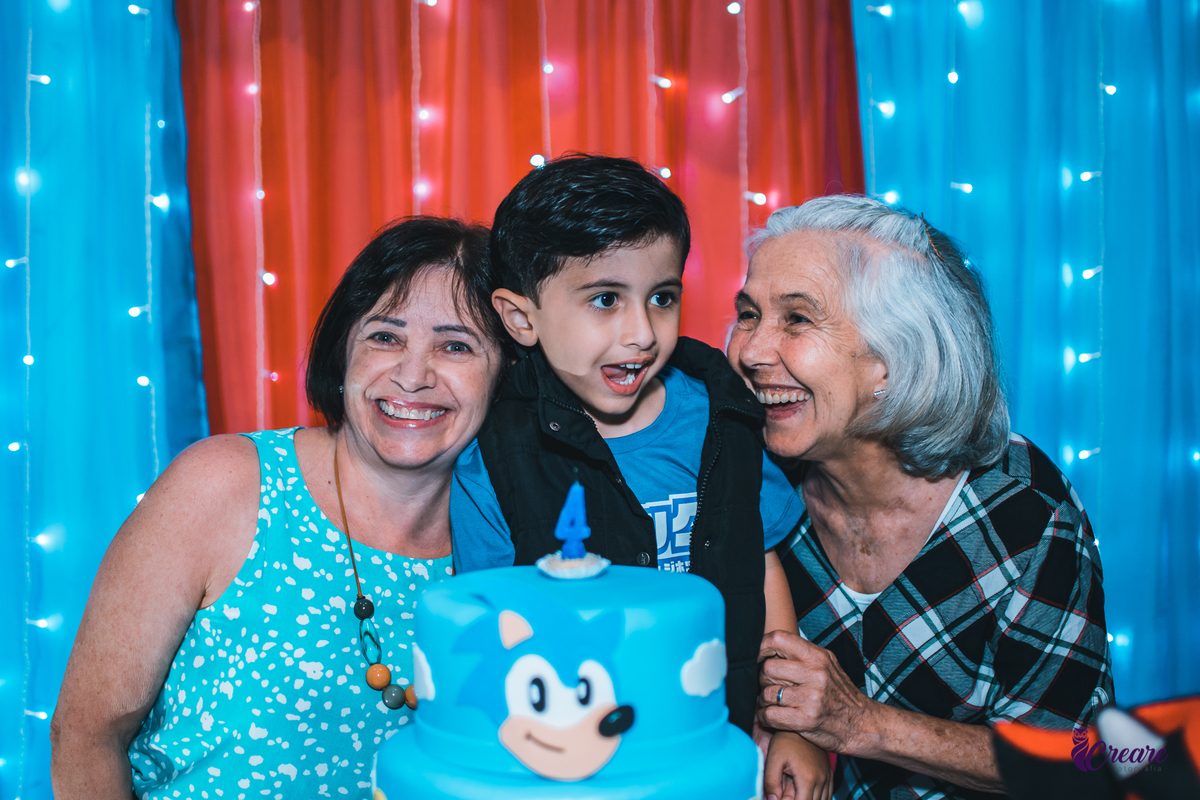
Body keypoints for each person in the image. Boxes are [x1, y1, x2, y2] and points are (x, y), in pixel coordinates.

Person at [51, 217, 508, 800]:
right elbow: (85, 736)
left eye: (456, 345)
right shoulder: (225, 484)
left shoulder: (512, 541)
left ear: (506, 375)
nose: (413, 376)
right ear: (343, 353)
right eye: (385, 337)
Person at [449, 153, 831, 796]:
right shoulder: (494, 453)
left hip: (720, 737)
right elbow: (496, 625)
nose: (641, 332)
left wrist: (792, 724)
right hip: (578, 759)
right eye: (604, 299)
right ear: (522, 319)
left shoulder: (724, 418)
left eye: (661, 297)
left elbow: (761, 568)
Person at [727, 195, 1113, 799]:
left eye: (797, 319)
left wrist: (861, 724)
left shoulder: (1023, 511)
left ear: (892, 358)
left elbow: (1081, 762)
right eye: (748, 315)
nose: (749, 351)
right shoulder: (748, 479)